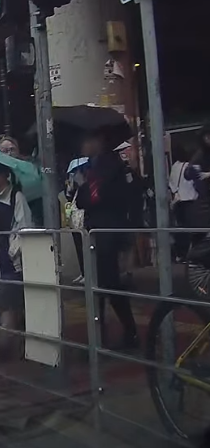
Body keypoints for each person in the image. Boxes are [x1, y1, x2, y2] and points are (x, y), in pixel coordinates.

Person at [75, 130, 140, 350]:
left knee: (108, 286)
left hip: (107, 235)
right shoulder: (94, 167)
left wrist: (84, 187)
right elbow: (84, 200)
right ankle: (105, 335)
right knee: (103, 287)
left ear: (98, 141)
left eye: (86, 139)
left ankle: (124, 333)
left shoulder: (111, 168)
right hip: (98, 234)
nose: (83, 145)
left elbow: (93, 198)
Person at [0, 160, 33, 358]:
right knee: (8, 300)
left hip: (14, 258)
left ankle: (9, 345)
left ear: (3, 175)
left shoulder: (16, 197)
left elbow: (24, 226)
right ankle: (13, 344)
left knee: (10, 298)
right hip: (0, 254)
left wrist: (14, 249)